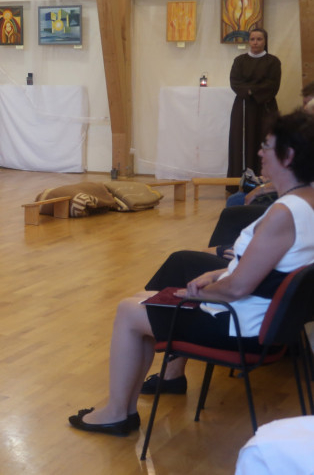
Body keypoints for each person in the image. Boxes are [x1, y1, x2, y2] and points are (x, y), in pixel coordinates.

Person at [68, 110, 314, 436]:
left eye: (266, 146)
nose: (260, 152)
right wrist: (215, 275)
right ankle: (124, 408)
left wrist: (194, 293)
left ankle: (117, 413)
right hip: (263, 321)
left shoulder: (284, 212)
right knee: (144, 299)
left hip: (241, 328)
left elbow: (237, 288)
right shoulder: (306, 200)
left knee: (129, 310)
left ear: (289, 155)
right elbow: (271, 268)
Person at [227, 28, 281, 192]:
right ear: (249, 41)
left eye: (259, 39)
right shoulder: (239, 61)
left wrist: (251, 90)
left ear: (265, 41)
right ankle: (238, 183)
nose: (255, 42)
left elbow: (272, 85)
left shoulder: (273, 62)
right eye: (252, 39)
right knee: (241, 143)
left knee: (263, 141)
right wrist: (251, 90)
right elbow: (235, 82)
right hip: (243, 108)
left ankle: (266, 183)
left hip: (265, 108)